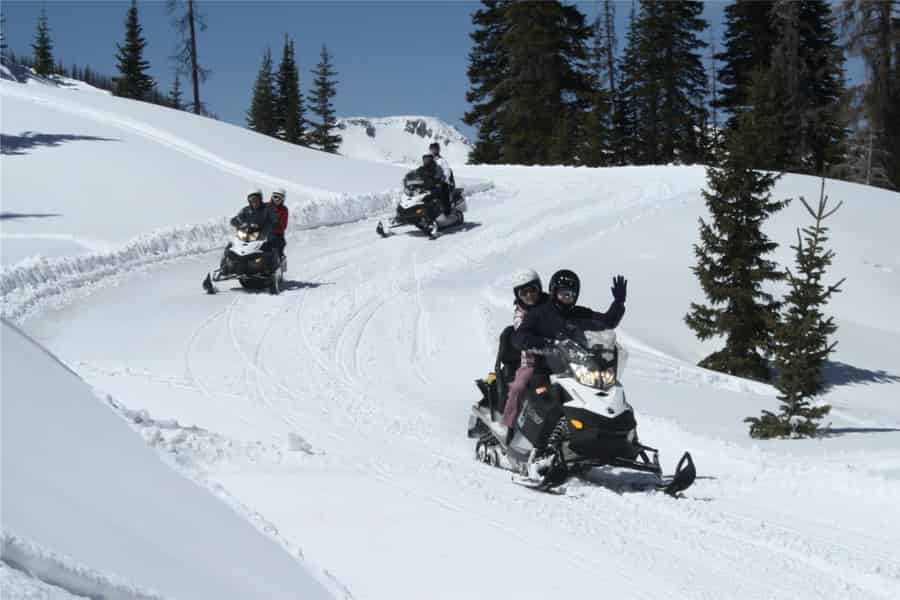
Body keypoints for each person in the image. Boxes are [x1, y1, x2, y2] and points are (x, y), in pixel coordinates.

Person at [512, 269, 627, 373]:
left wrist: (618, 303)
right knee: (537, 385)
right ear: (554, 292)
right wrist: (545, 343)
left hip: (579, 367)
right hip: (546, 367)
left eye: (571, 294)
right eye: (563, 294)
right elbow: (518, 337)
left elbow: (608, 322)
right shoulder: (539, 313)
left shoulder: (579, 312)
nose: (567, 297)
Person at [499, 269, 549, 441]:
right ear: (518, 295)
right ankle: (509, 425)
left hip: (559, 358)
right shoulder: (520, 313)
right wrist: (537, 342)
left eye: (532, 290)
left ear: (539, 288)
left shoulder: (550, 305)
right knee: (518, 387)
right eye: (523, 292)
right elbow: (521, 332)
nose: (529, 295)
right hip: (531, 362)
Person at [428, 142, 454, 216]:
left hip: (442, 182)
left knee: (443, 194)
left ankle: (447, 212)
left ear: (438, 150)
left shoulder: (442, 160)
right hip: (432, 182)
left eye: (435, 149)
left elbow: (447, 171)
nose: (433, 151)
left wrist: (444, 177)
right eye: (432, 149)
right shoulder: (429, 160)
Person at [268, 187, 288, 260]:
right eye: (275, 197)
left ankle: (278, 260)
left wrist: (277, 226)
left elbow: (283, 224)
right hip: (262, 231)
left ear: (283, 199)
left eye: (279, 198)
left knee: (277, 242)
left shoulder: (284, 210)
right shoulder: (265, 206)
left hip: (276, 233)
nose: (276, 199)